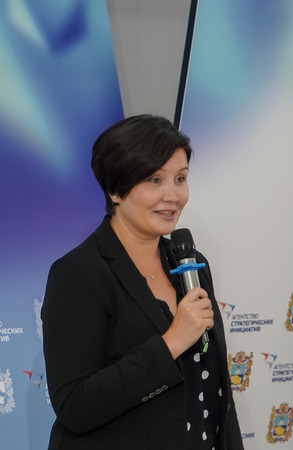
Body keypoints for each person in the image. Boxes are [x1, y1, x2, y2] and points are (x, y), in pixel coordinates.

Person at [42, 114, 244, 450]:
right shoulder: (78, 274)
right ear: (115, 190)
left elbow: (216, 391)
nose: (173, 195)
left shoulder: (190, 263)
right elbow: (75, 405)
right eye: (154, 179)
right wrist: (171, 343)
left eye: (180, 179)